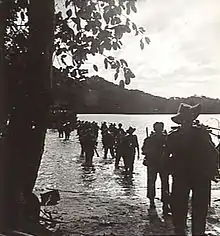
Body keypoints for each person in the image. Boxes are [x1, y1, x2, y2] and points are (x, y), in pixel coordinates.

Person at [164, 103, 219, 235]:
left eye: (188, 119)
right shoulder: (176, 136)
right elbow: (165, 157)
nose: (186, 122)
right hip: (186, 176)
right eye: (184, 120)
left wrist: (212, 170)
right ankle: (183, 231)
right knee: (182, 208)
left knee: (194, 208)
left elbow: (212, 153)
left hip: (196, 176)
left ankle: (193, 232)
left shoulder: (199, 134)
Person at [142, 122, 171, 215]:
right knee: (163, 183)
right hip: (158, 164)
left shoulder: (151, 139)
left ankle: (154, 202)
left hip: (158, 164)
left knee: (153, 183)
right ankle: (162, 203)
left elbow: (144, 150)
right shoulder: (166, 138)